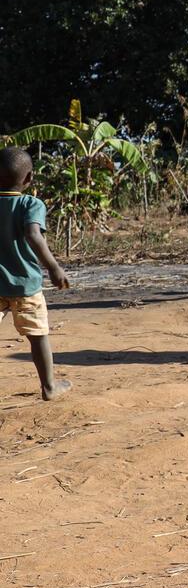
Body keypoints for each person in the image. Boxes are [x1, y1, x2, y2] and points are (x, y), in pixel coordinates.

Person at [0, 147, 71, 400]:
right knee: (38, 335)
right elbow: (33, 235)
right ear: (29, 178)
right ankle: (49, 386)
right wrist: (54, 267)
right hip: (26, 287)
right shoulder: (30, 203)